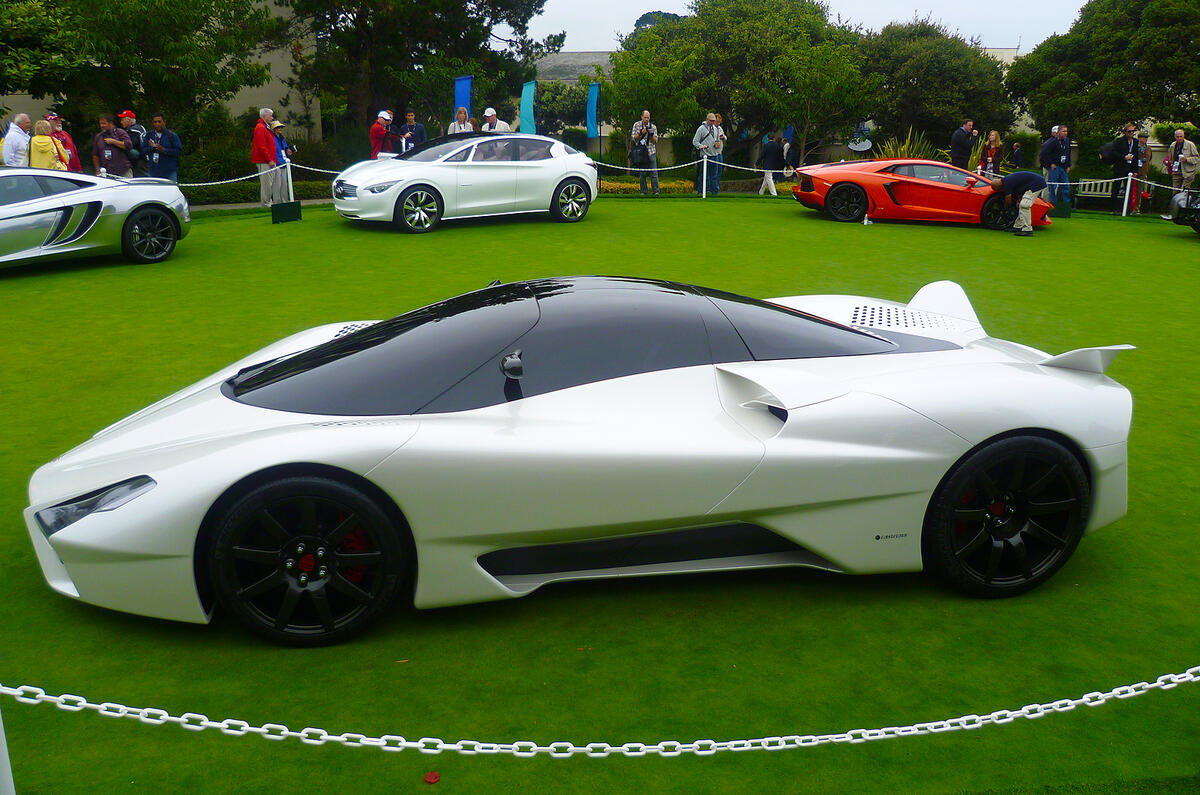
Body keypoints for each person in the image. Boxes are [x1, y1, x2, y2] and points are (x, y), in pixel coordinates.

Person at [991, 171, 1047, 237]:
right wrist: (1018, 200)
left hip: (1037, 184)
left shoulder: (1006, 183)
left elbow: (1008, 198)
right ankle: (1018, 226)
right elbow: (1021, 188)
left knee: (1024, 205)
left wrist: (1006, 208)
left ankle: (1027, 230)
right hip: (1033, 183)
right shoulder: (1007, 180)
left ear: (999, 186)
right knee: (1020, 205)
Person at [1104, 124, 1139, 214]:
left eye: (1133, 131)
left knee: (1129, 190)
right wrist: (1124, 157)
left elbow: (1136, 156)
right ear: (1125, 132)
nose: (1131, 133)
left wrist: (1135, 170)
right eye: (1129, 131)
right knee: (1116, 189)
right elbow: (1113, 152)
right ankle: (1113, 209)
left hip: (1130, 169)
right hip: (1119, 168)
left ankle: (1127, 210)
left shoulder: (1135, 142)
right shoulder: (1119, 141)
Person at [1039, 124, 1072, 206]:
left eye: (1066, 131)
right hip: (1055, 167)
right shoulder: (1052, 142)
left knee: (1065, 186)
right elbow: (1044, 154)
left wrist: (1068, 165)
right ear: (1058, 132)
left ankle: (1066, 205)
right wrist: (1050, 164)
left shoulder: (1067, 141)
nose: (1065, 133)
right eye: (1063, 131)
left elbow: (1068, 153)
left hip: (1064, 167)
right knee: (1052, 187)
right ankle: (1053, 204)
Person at [251, 107, 277, 206]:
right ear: (265, 116)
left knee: (269, 183)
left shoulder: (265, 127)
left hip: (267, 160)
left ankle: (267, 201)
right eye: (270, 115)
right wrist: (269, 159)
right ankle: (266, 203)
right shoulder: (261, 128)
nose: (272, 118)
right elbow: (262, 146)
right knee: (266, 183)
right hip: (264, 160)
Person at [145, 113, 182, 182]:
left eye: (159, 121)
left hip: (169, 172)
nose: (157, 124)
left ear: (164, 122)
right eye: (155, 122)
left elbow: (178, 151)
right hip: (153, 172)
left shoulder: (172, 135)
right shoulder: (149, 135)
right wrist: (151, 148)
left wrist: (164, 150)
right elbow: (143, 150)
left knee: (171, 191)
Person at [630, 109, 659, 195]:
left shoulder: (653, 126)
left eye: (648, 117)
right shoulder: (636, 125)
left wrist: (650, 135)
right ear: (642, 117)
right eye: (645, 117)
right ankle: (643, 191)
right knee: (642, 173)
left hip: (651, 151)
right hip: (641, 152)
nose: (647, 119)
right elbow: (633, 138)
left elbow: (655, 141)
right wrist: (640, 133)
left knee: (654, 172)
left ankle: (656, 191)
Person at [692, 113, 720, 195]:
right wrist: (701, 146)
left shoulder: (715, 129)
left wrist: (717, 144)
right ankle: (702, 191)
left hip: (714, 154)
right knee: (704, 175)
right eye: (711, 121)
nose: (712, 122)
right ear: (707, 120)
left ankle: (714, 191)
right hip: (705, 155)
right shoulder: (701, 129)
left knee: (714, 175)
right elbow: (695, 141)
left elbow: (717, 139)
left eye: (714, 121)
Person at [1164, 128, 1199, 193]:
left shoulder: (1190, 145)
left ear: (1184, 136)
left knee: (1183, 193)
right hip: (1176, 171)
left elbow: (1196, 158)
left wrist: (1186, 159)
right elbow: (1171, 157)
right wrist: (1170, 163)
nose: (1179, 138)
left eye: (1181, 136)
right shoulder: (1173, 145)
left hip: (1188, 172)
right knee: (1175, 192)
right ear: (1175, 137)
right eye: (1177, 137)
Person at [117, 110, 149, 177]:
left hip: (140, 159)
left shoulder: (132, 131)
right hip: (146, 156)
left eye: (123, 120)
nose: (121, 122)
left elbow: (129, 145)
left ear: (129, 120)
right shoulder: (140, 127)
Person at [270, 120, 295, 203]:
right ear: (274, 129)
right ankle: (277, 202)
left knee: (284, 183)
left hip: (284, 162)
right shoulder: (272, 138)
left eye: (280, 127)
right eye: (278, 127)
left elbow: (285, 148)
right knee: (277, 184)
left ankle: (285, 201)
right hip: (276, 163)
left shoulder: (281, 138)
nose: (280, 128)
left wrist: (289, 150)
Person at [1133, 132, 1151, 214]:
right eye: (1144, 137)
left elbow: (1149, 159)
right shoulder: (1134, 147)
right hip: (1134, 171)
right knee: (1131, 190)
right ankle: (1129, 207)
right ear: (1139, 138)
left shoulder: (1148, 148)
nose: (1146, 139)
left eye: (1146, 138)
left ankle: (1137, 209)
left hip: (1143, 172)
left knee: (1140, 191)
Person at [712, 112, 728, 194]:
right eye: (717, 121)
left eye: (719, 122)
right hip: (713, 153)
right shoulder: (711, 128)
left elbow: (725, 137)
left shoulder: (720, 128)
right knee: (713, 172)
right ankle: (713, 189)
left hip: (719, 152)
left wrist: (723, 137)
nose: (718, 123)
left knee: (719, 171)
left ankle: (716, 187)